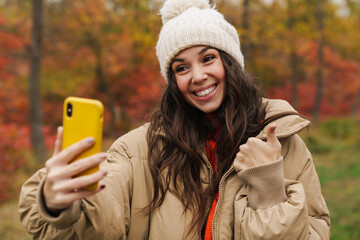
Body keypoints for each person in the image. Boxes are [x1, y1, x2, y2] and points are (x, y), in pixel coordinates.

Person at [18, 0, 331, 239]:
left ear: (231, 63)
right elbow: (101, 216)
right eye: (181, 68)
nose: (197, 76)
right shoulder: (138, 150)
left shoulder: (284, 144)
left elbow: (316, 231)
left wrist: (269, 189)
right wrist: (58, 202)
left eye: (208, 58)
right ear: (172, 81)